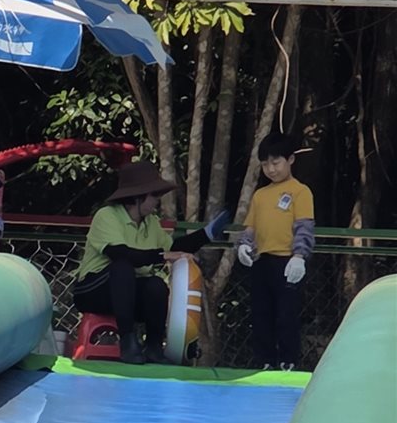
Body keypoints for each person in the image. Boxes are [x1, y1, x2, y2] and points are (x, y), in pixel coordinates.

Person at [71, 160, 229, 364]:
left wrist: (207, 234)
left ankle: (154, 347)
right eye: (155, 194)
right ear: (138, 196)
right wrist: (162, 256)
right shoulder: (107, 216)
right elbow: (121, 254)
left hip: (127, 295)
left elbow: (174, 247)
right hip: (94, 291)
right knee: (123, 267)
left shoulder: (151, 222)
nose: (158, 200)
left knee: (156, 285)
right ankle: (128, 343)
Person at [236, 135, 315, 370]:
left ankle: (288, 361)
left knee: (286, 315)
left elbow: (304, 227)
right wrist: (243, 245)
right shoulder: (260, 195)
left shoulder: (300, 191)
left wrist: (299, 256)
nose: (271, 169)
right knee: (261, 314)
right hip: (262, 261)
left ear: (290, 160)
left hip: (287, 262)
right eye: (265, 164)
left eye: (276, 162)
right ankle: (265, 362)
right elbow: (251, 227)